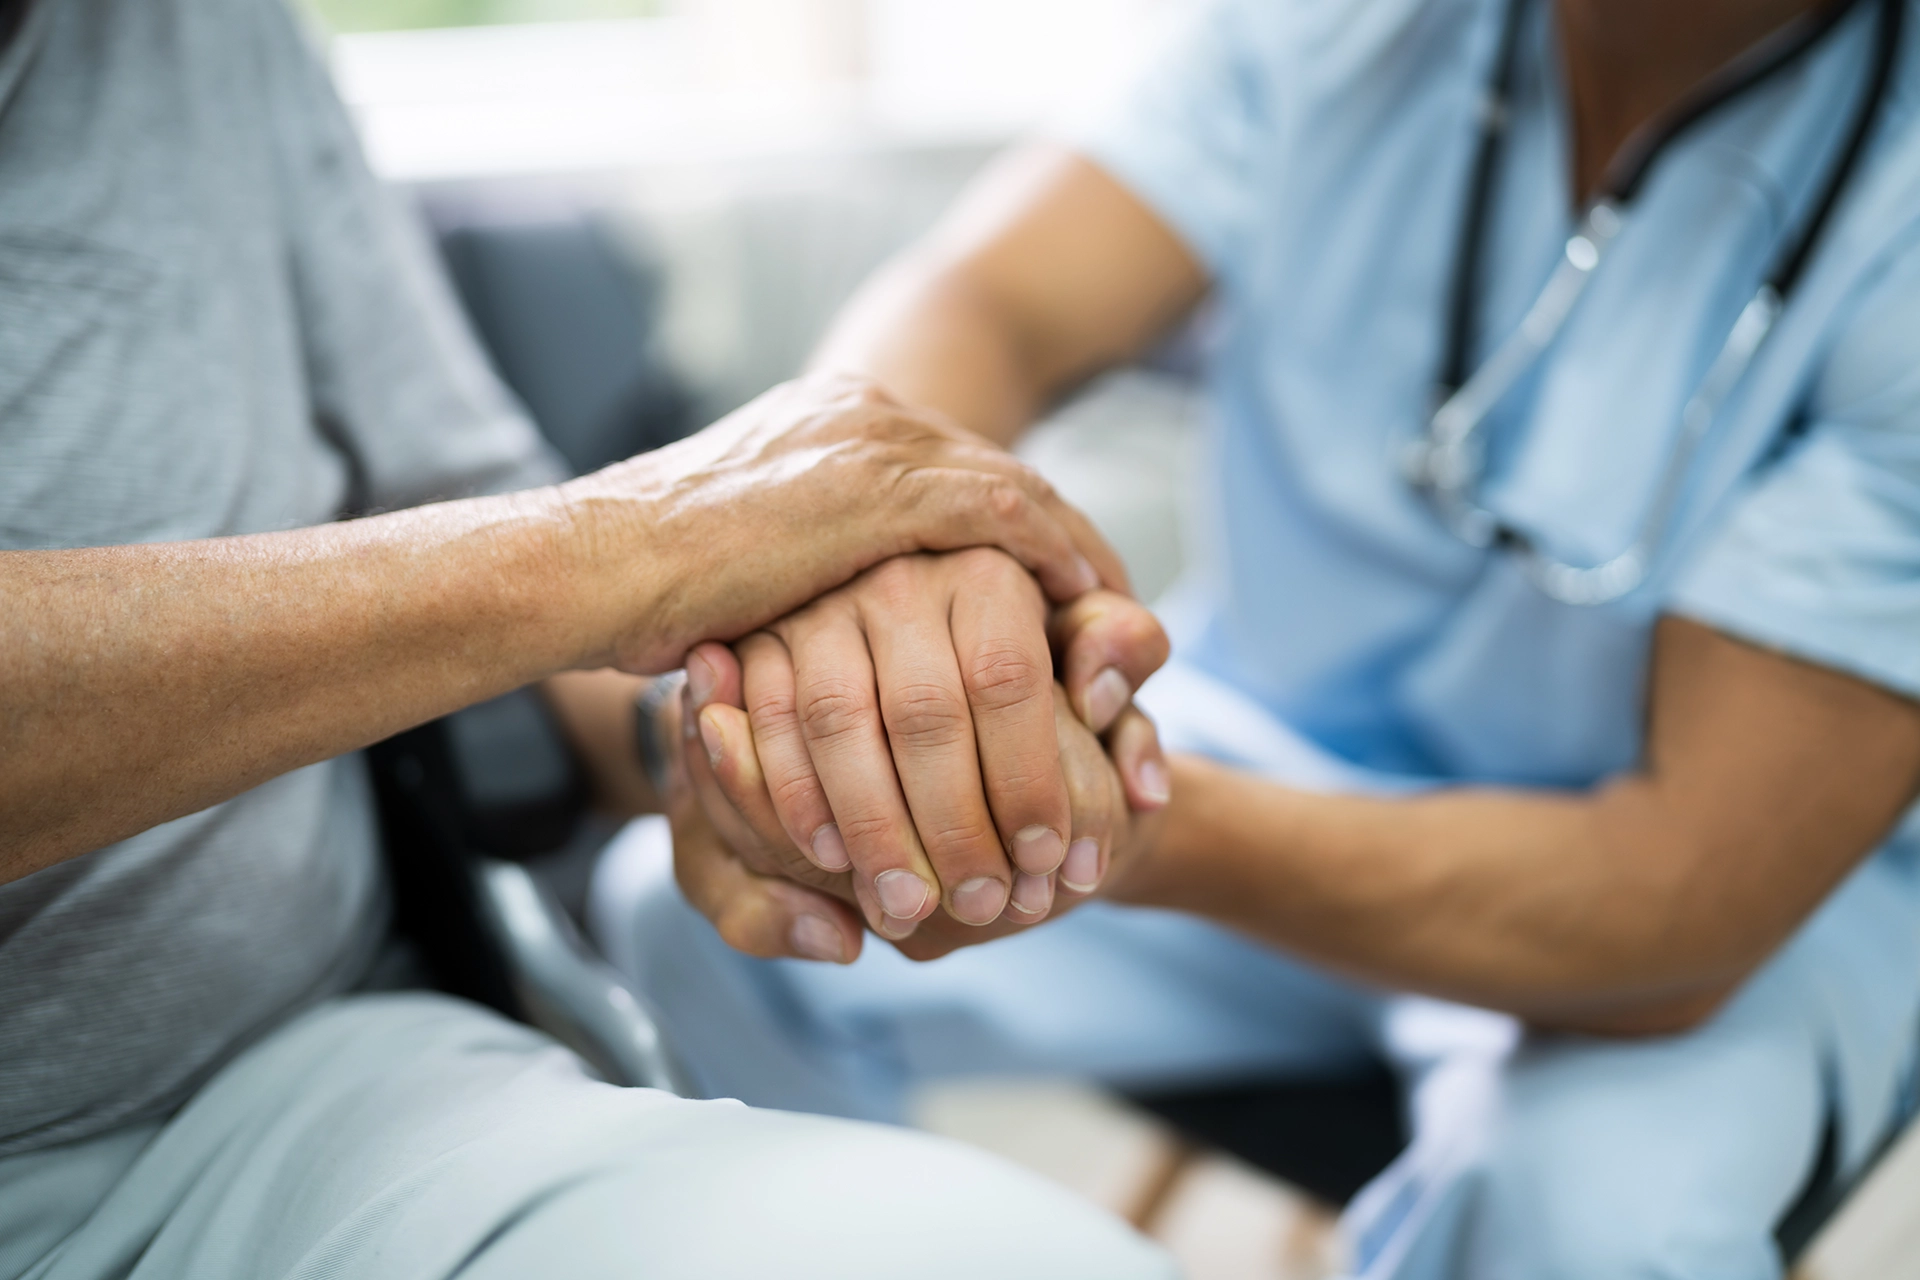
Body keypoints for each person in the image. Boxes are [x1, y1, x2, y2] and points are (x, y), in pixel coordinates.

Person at [608, 0, 1920, 1274]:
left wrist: (1100, 809)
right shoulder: (1334, 27)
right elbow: (985, 301)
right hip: (1273, 734)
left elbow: (1674, 900)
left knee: (1598, 1226)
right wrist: (878, 577)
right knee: (711, 899)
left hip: (1716, 894)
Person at [0, 0, 1181, 1276]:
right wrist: (642, 542)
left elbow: (499, 626)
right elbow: (566, 582)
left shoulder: (201, 34)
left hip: (302, 1098)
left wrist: (737, 750)